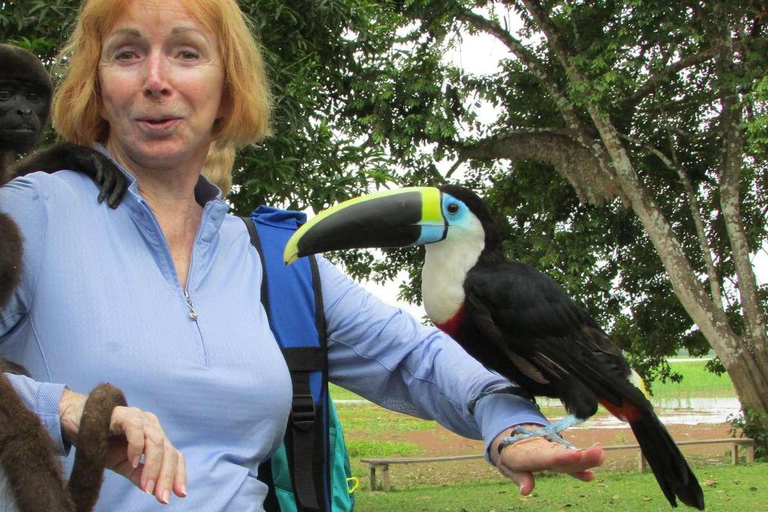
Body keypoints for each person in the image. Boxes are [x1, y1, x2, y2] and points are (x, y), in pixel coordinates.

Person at [0, 0, 605, 510]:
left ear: (226, 92)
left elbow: (413, 358)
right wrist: (65, 409)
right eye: (127, 54)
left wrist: (512, 425)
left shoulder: (266, 259)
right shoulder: (31, 213)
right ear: (98, 88)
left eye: (187, 53)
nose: (156, 79)